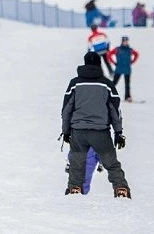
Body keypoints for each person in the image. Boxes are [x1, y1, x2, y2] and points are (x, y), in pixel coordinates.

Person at [61, 52, 131, 198]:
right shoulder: (107, 84)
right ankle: (120, 188)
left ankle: (74, 188)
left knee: (77, 163)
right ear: (99, 64)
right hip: (100, 132)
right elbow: (115, 110)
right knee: (111, 163)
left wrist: (66, 131)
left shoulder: (75, 83)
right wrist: (118, 133)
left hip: (78, 132)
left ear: (85, 63)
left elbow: (67, 109)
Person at [108, 36, 139, 102]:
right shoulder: (117, 49)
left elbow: (136, 54)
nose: (126, 42)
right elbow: (109, 54)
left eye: (126, 41)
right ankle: (107, 94)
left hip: (127, 69)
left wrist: (132, 61)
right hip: (119, 69)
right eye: (124, 41)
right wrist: (113, 62)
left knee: (127, 84)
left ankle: (127, 97)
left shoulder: (130, 50)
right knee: (114, 83)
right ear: (122, 42)